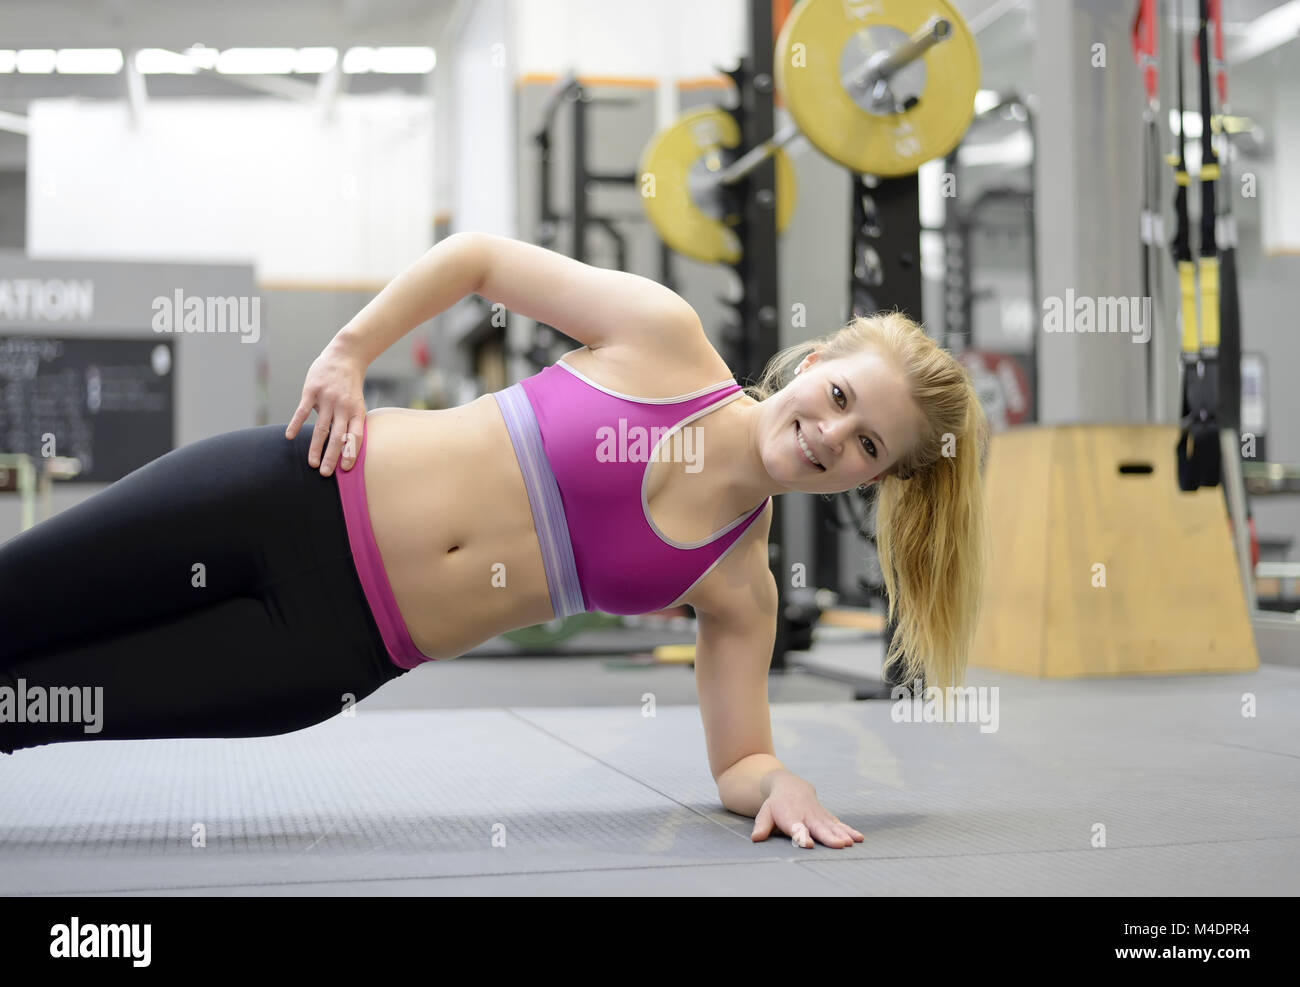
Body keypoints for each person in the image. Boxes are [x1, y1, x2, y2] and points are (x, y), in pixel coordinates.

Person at [0, 232, 987, 850]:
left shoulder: (738, 582)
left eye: (866, 446)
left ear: (875, 481)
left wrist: (784, 783)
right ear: (815, 362)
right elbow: (477, 259)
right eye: (840, 397)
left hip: (323, 652)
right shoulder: (664, 338)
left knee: (26, 709)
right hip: (281, 494)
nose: (827, 436)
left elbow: (738, 763)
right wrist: (349, 351)